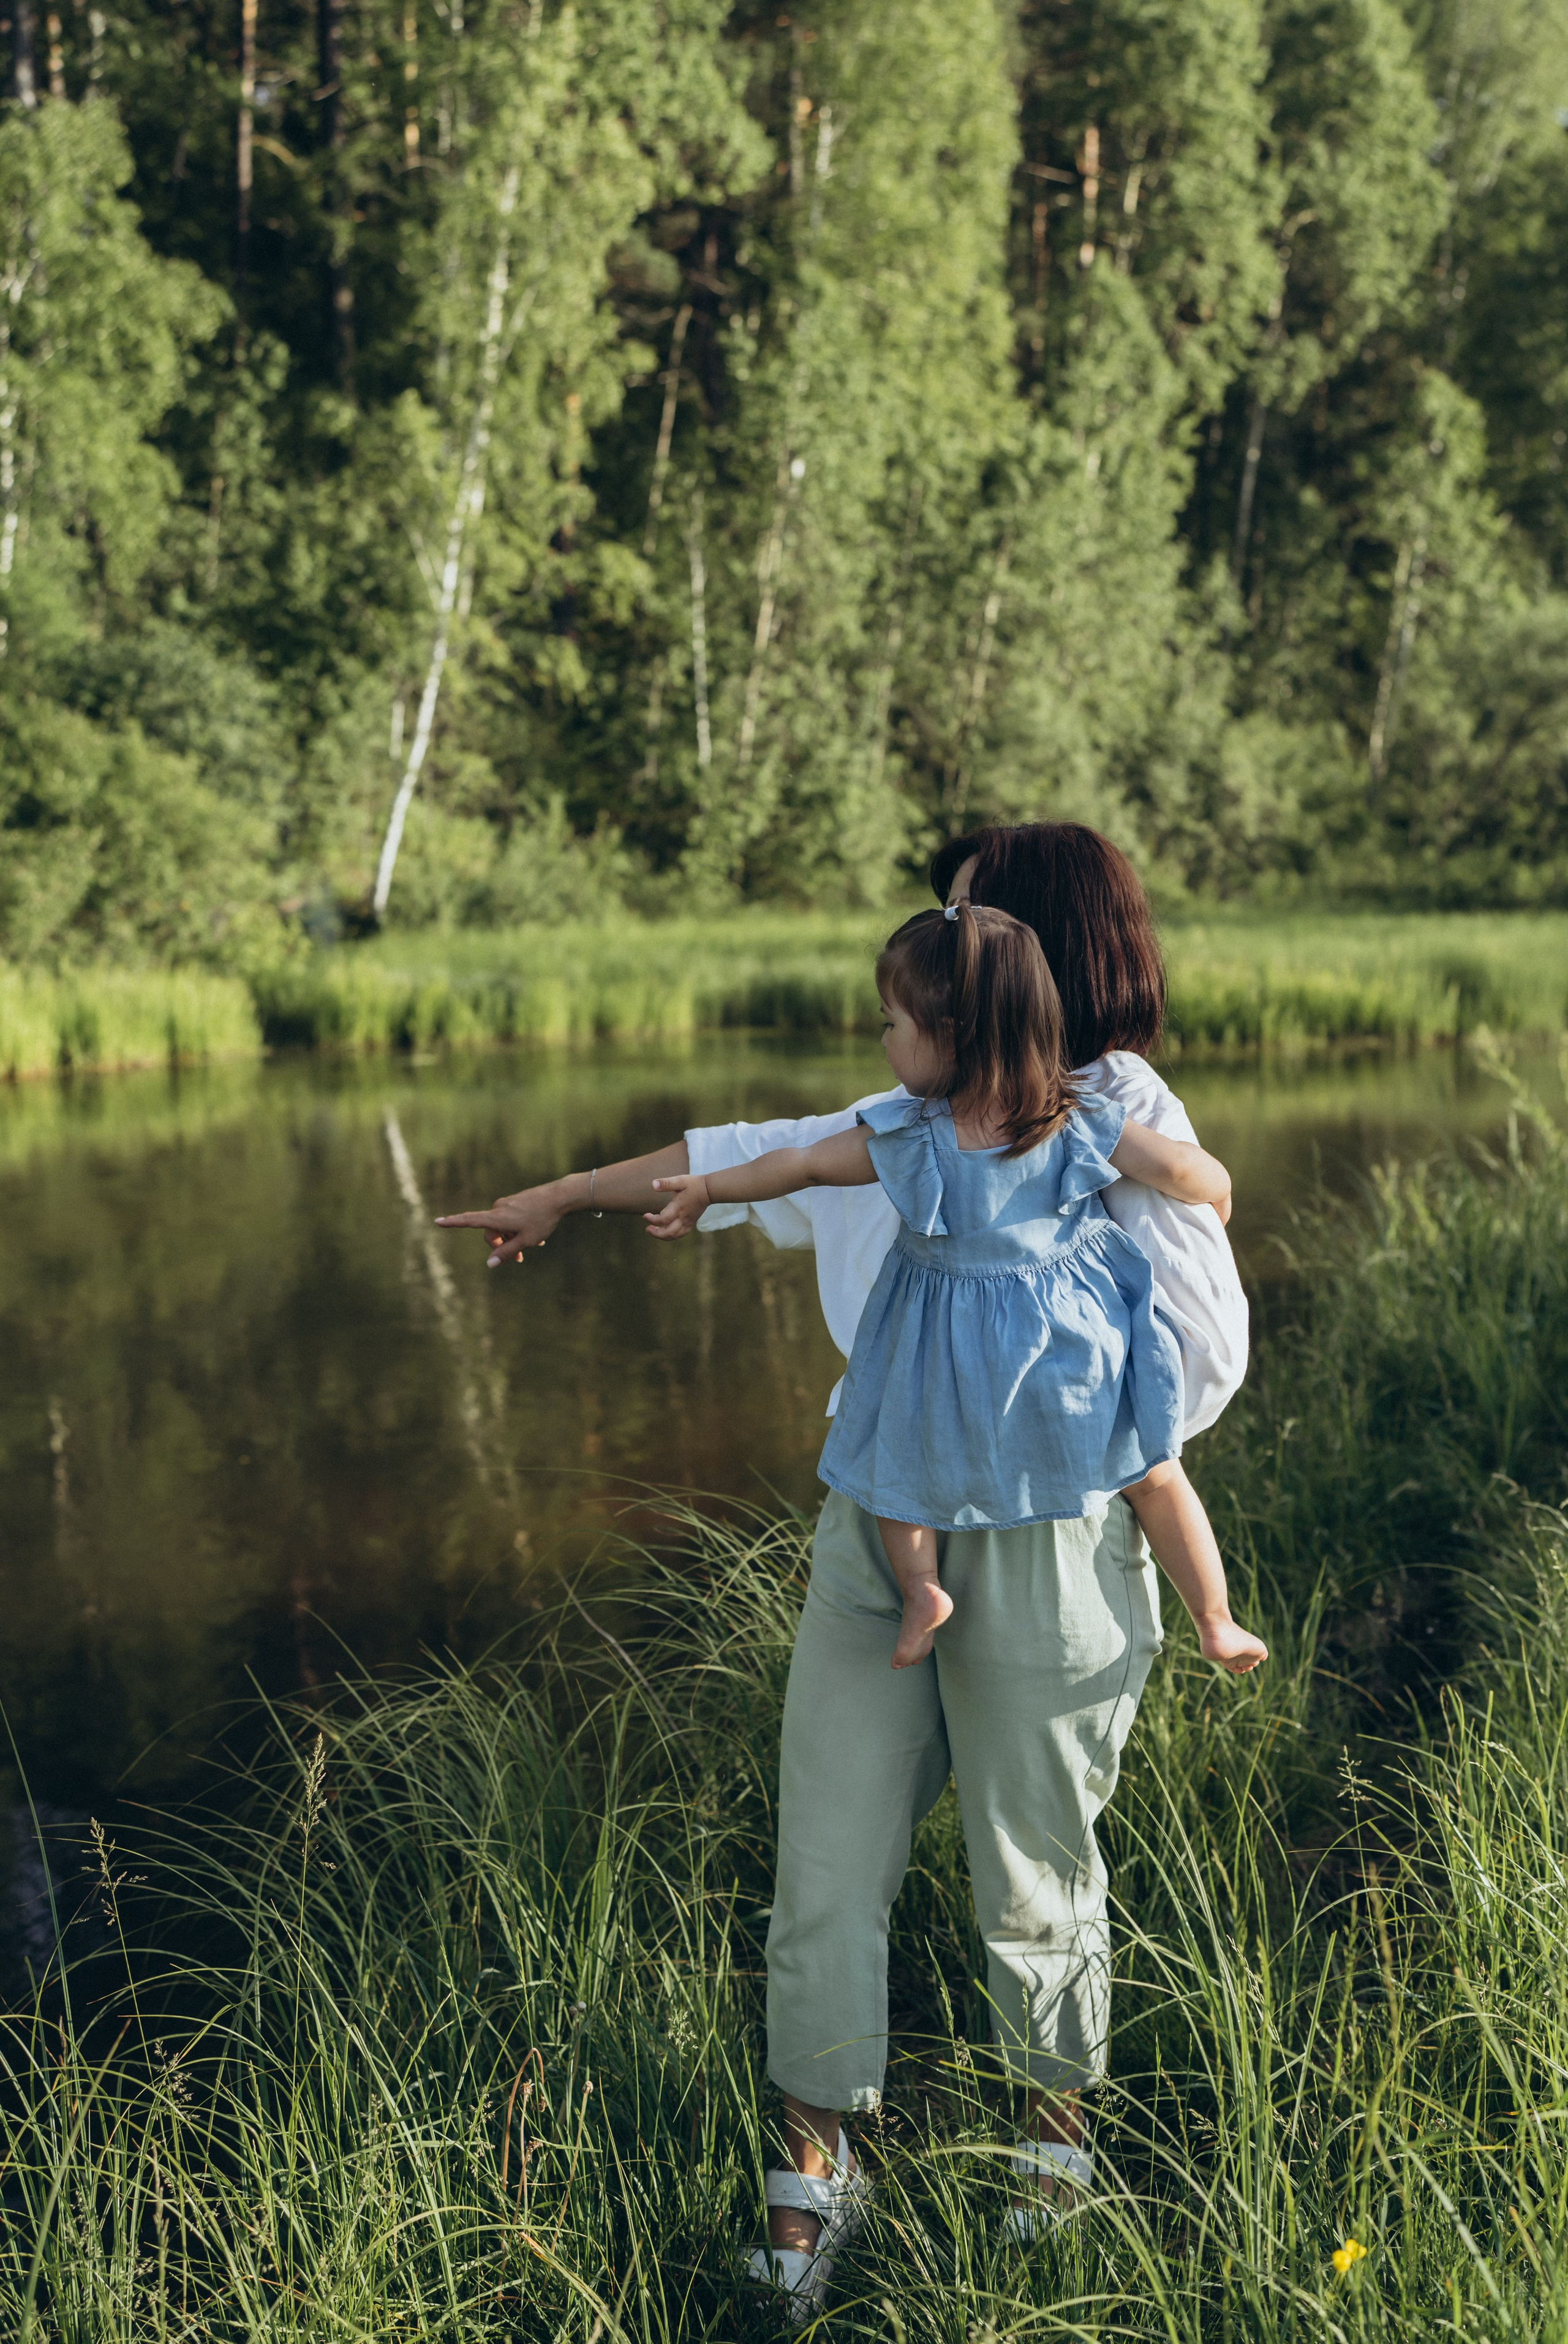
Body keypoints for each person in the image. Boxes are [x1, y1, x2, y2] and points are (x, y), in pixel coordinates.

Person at [435, 823, 1251, 2319]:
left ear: (1035, 962)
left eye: (962, 929)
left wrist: (1033, 1399)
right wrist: (557, 1194)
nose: (933, 960)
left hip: (1050, 1538)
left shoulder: (1101, 1113)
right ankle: (814, 2181)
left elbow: (1199, 1356)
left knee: (1033, 1875)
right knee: (821, 1868)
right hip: (881, 1528)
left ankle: (1050, 2163)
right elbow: (747, 1154)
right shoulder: (906, 1113)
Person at [643, 902, 1267, 1685]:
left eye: (891, 1024)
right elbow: (1180, 1170)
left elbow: (799, 1165)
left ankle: (921, 1591)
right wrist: (1220, 1190)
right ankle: (1214, 1618)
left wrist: (708, 1188)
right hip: (1070, 1340)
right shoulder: (1071, 1118)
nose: (883, 1040)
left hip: (942, 1340)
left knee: (895, 1464)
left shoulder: (912, 1135)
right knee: (1152, 1468)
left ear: (950, 1033)